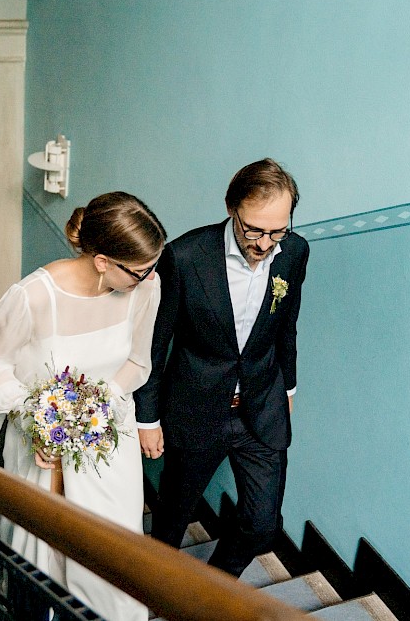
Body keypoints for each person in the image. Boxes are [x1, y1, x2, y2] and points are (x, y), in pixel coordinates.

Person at [0, 191, 166, 621]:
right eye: (139, 270)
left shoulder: (143, 288)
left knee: (112, 552)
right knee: (40, 550)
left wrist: (99, 407)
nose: (150, 276)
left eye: (152, 265)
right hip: (44, 441)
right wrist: (36, 416)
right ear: (102, 262)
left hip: (110, 438)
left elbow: (138, 361)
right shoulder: (33, 296)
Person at [134, 158, 309, 577]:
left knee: (262, 524)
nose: (266, 243)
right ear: (232, 209)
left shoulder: (295, 252)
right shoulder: (185, 256)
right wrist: (147, 418)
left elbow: (287, 325)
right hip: (196, 407)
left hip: (261, 407)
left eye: (277, 231)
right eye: (255, 229)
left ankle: (211, 590)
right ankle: (154, 589)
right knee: (173, 519)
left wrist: (288, 392)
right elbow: (157, 344)